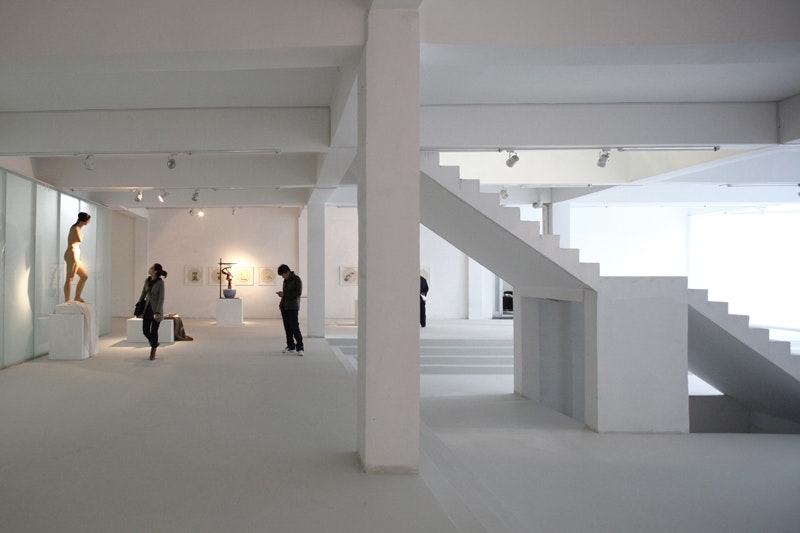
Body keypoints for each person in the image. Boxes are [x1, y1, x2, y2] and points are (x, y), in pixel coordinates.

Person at [136, 263, 168, 360]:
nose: (149, 269)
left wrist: (158, 312)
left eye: (151, 268)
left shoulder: (160, 282)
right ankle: (155, 343)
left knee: (154, 332)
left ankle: (153, 351)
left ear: (155, 271)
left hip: (156, 310)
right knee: (145, 331)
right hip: (147, 309)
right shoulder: (147, 280)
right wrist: (139, 303)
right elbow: (143, 293)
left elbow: (161, 298)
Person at [277, 264, 304, 356]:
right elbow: (286, 294)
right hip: (284, 307)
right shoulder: (286, 280)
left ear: (287, 272)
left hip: (293, 307)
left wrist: (284, 294)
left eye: (283, 275)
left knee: (295, 327)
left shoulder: (297, 279)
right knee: (287, 328)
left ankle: (300, 347)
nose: (282, 277)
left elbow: (298, 293)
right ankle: (291, 346)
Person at [64, 212, 91, 302]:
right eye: (88, 220)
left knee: (84, 276)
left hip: (75, 254)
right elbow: (80, 239)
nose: (89, 222)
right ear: (84, 220)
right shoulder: (76, 228)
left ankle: (77, 296)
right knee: (70, 278)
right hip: (72, 254)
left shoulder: (76, 227)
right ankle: (67, 299)